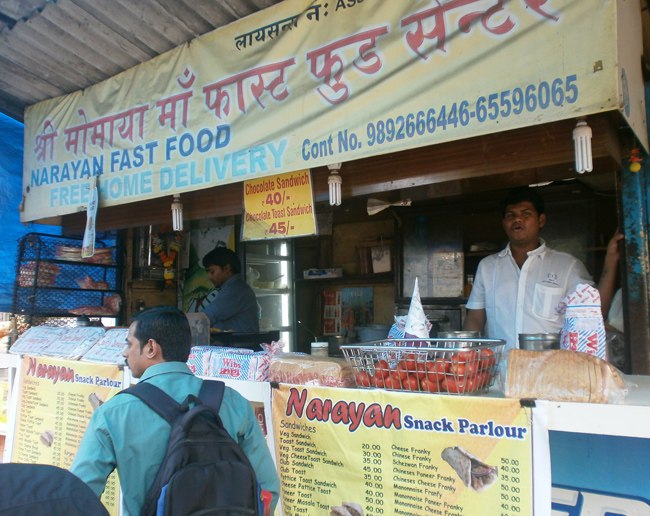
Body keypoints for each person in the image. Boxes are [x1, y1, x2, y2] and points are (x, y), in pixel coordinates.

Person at [70, 306, 279, 515]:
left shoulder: (113, 413)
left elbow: (77, 498)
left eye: (129, 343)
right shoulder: (234, 402)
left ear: (151, 347)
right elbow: (267, 488)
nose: (125, 352)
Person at [464, 186, 622, 350]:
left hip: (549, 369)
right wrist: (465, 356)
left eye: (526, 214)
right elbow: (475, 318)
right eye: (511, 215)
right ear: (504, 223)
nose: (518, 220)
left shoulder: (567, 266)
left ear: (541, 220)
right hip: (500, 369)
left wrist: (610, 262)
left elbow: (594, 314)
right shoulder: (488, 267)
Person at [200, 247, 260, 333]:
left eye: (212, 272)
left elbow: (207, 316)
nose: (209, 277)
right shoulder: (232, 288)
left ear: (227, 268)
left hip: (240, 344)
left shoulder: (236, 290)